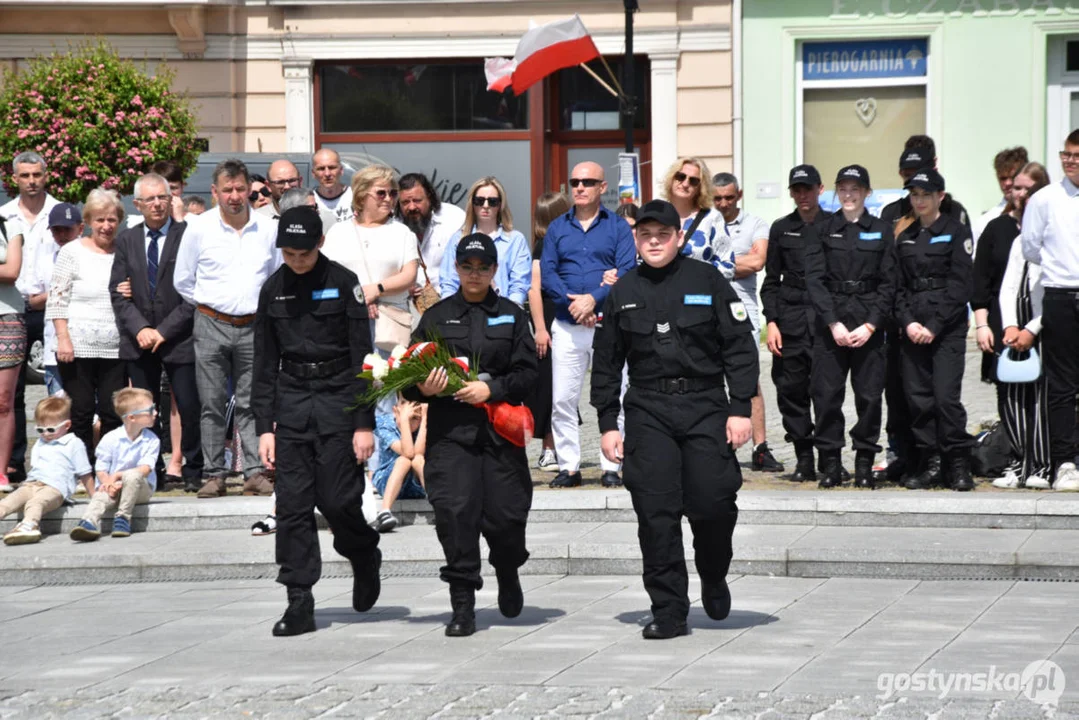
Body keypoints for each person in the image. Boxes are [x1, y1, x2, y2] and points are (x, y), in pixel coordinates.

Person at [590, 199, 758, 639]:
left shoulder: (707, 280)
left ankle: (713, 571)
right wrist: (609, 423)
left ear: (678, 238)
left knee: (714, 502)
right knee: (655, 512)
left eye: (662, 235)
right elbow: (606, 363)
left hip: (705, 406)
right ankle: (668, 610)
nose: (654, 242)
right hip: (648, 410)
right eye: (645, 235)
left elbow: (740, 347)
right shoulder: (623, 291)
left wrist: (741, 409)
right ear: (636, 240)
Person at [252, 205, 382, 637]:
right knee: (291, 507)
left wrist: (365, 423)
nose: (296, 260)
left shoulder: (345, 285)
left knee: (338, 500)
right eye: (288, 253)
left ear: (320, 244)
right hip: (291, 405)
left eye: (303, 253)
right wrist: (264, 428)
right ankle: (299, 600)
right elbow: (265, 364)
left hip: (338, 402)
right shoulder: (273, 290)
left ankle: (363, 552)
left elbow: (364, 358)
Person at [405, 232, 537, 637]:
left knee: (507, 519)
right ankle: (462, 603)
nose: (474, 274)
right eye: (466, 267)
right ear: (456, 269)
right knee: (455, 516)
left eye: (483, 268)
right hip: (451, 436)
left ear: (495, 270)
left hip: (499, 437)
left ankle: (508, 567)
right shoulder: (436, 317)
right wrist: (422, 388)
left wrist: (491, 390)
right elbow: (408, 374)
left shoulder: (512, 315)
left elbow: (530, 373)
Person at [173, 159, 281, 498]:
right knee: (211, 403)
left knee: (252, 403)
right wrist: (214, 304)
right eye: (227, 190)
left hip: (254, 326)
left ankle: (253, 472)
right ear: (214, 192)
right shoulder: (199, 228)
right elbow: (183, 281)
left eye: (240, 189)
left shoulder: (267, 229)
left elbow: (276, 277)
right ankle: (215, 473)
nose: (234, 196)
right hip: (210, 323)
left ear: (249, 189)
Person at [879, 135, 971, 484]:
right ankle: (930, 463)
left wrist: (932, 324)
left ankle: (957, 464)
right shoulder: (905, 236)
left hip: (945, 327)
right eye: (914, 195)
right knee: (917, 400)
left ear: (940, 197)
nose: (919, 201)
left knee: (946, 398)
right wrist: (909, 322)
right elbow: (897, 286)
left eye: (926, 195)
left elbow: (960, 284)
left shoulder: (956, 230)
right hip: (912, 326)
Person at [541, 161, 636, 489]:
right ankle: (569, 467)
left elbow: (625, 270)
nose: (579, 187)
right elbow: (548, 273)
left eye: (587, 182)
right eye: (575, 182)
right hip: (567, 326)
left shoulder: (619, 228)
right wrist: (575, 304)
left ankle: (613, 464)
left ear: (602, 187)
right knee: (563, 399)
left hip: (608, 328)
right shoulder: (556, 228)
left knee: (615, 396)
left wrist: (593, 299)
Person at [804, 165, 896, 489]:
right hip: (832, 324)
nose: (848, 194)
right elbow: (814, 280)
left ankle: (864, 462)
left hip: (868, 322)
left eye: (855, 189)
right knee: (826, 396)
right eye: (843, 188)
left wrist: (872, 325)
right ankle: (830, 463)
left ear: (867, 193)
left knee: (869, 398)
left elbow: (889, 283)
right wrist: (832, 323)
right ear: (835, 191)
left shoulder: (883, 230)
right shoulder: (823, 230)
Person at [110, 173, 202, 494]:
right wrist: (142, 329)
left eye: (162, 197)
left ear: (170, 198)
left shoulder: (188, 235)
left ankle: (193, 468)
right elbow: (118, 293)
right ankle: (155, 470)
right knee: (145, 410)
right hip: (140, 340)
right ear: (137, 204)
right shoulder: (126, 239)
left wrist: (162, 330)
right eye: (149, 199)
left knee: (189, 406)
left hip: (178, 337)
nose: (157, 204)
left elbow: (194, 293)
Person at [46, 188, 125, 467]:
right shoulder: (71, 252)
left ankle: (106, 466)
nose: (106, 226)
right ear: (89, 221)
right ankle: (81, 468)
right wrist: (63, 339)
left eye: (112, 220)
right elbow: (57, 299)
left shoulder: (125, 251)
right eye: (100, 220)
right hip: (76, 346)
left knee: (112, 411)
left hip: (115, 347)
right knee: (80, 411)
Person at [712, 172, 784, 473]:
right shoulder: (705, 223)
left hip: (744, 310)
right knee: (709, 378)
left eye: (729, 197)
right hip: (707, 308)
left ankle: (760, 448)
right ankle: (716, 444)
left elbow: (757, 262)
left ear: (739, 195)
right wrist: (735, 263)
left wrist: (714, 264)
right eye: (717, 198)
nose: (723, 203)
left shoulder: (755, 223)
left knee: (748, 379)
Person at [760, 165, 827, 483]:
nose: (803, 195)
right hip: (790, 321)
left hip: (825, 321)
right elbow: (771, 281)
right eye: (797, 190)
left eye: (808, 189)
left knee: (827, 393)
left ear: (820, 189)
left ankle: (829, 458)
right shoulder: (781, 228)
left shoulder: (835, 225)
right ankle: (804, 458)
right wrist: (771, 322)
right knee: (791, 392)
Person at [1021, 129, 1079, 490]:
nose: (1071, 160)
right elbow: (1030, 247)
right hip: (1059, 295)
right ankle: (1065, 463)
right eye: (1067, 154)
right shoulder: (1044, 199)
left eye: (1078, 155)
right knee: (1061, 386)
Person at [993, 162, 1051, 489]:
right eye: (1017, 188)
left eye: (1028, 189)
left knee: (1040, 398)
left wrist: (1032, 328)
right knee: (1012, 395)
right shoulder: (1019, 240)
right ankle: (1017, 463)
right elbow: (1009, 286)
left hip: (1042, 328)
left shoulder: (1057, 234)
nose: (1021, 195)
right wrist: (1010, 326)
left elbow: (1055, 287)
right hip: (1015, 331)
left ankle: (1041, 467)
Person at [3, 151, 59, 485]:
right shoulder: (4, 215)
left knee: (57, 387)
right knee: (12, 394)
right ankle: (13, 462)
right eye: (25, 175)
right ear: (15, 178)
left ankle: (55, 461)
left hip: (52, 309)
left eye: (36, 174)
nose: (32, 181)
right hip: (12, 309)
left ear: (45, 175)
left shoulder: (60, 212)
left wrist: (50, 296)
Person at [69, 387, 160, 541]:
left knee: (132, 475)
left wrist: (117, 476)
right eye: (150, 409)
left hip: (140, 489)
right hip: (113, 487)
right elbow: (101, 468)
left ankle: (123, 518)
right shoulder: (110, 438)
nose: (156, 413)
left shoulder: (151, 440)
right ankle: (87, 523)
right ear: (132, 417)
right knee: (100, 497)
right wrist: (108, 483)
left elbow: (145, 469)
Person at [0, 396, 91, 545]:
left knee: (36, 503)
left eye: (50, 429)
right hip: (32, 484)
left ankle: (29, 525)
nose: (45, 434)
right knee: (7, 502)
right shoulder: (40, 443)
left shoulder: (74, 443)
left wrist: (94, 497)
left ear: (67, 425)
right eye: (40, 429)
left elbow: (85, 473)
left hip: (55, 488)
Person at [526, 192, 572, 471]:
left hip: (564, 318)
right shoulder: (544, 246)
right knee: (552, 388)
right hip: (551, 321)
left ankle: (559, 447)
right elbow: (534, 289)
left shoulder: (559, 243)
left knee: (563, 387)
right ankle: (549, 449)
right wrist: (541, 329)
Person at [438, 177, 531, 306]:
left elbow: (519, 285)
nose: (486, 206)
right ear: (472, 204)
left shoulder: (515, 240)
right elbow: (449, 282)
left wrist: (511, 314)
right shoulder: (459, 239)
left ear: (500, 205)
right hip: (464, 314)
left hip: (502, 313)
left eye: (492, 201)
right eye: (479, 201)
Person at [27, 203, 83, 396]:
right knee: (58, 411)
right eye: (56, 230)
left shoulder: (92, 257)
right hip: (55, 347)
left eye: (67, 229)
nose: (62, 235)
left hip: (87, 344)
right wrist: (57, 293)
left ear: (80, 228)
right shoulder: (45, 261)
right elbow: (33, 301)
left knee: (89, 412)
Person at [397, 172, 466, 292]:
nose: (412, 207)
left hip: (449, 298)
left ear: (429, 197)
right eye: (405, 203)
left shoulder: (455, 218)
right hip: (406, 301)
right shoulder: (393, 225)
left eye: (417, 200)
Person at [371, 398, 427, 532]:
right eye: (410, 417)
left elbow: (417, 453)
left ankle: (440, 508)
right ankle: (384, 512)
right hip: (387, 480)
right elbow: (407, 452)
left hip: (415, 486)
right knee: (404, 460)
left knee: (418, 459)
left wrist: (425, 419)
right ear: (395, 411)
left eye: (415, 418)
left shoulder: (424, 424)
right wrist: (405, 423)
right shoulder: (384, 423)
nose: (413, 423)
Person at [661, 158, 725, 272]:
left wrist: (696, 276)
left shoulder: (712, 218)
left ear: (700, 188)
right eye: (680, 177)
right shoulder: (656, 214)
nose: (685, 184)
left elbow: (727, 265)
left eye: (693, 181)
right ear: (672, 179)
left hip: (698, 288)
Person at [972, 147, 1029, 246]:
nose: (1007, 183)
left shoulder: (1040, 211)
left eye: (1012, 177)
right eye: (1003, 178)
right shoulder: (985, 221)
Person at [311, 148, 353, 225]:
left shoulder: (355, 197)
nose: (327, 174)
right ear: (313, 173)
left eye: (332, 167)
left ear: (341, 170)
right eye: (321, 169)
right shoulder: (309, 201)